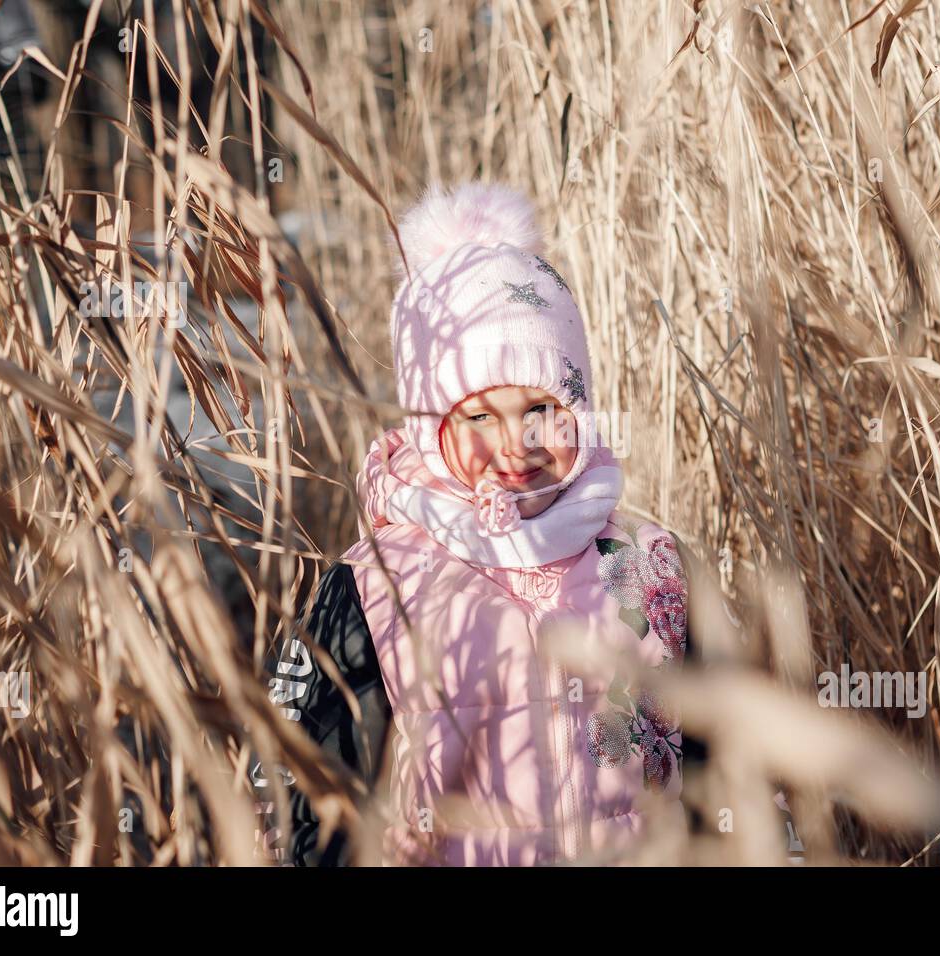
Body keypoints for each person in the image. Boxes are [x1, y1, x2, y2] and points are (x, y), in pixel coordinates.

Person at [261, 181, 707, 866]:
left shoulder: (653, 570)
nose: (515, 444)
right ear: (431, 427)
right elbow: (301, 800)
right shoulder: (374, 590)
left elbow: (731, 772)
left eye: (540, 408)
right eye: (477, 416)